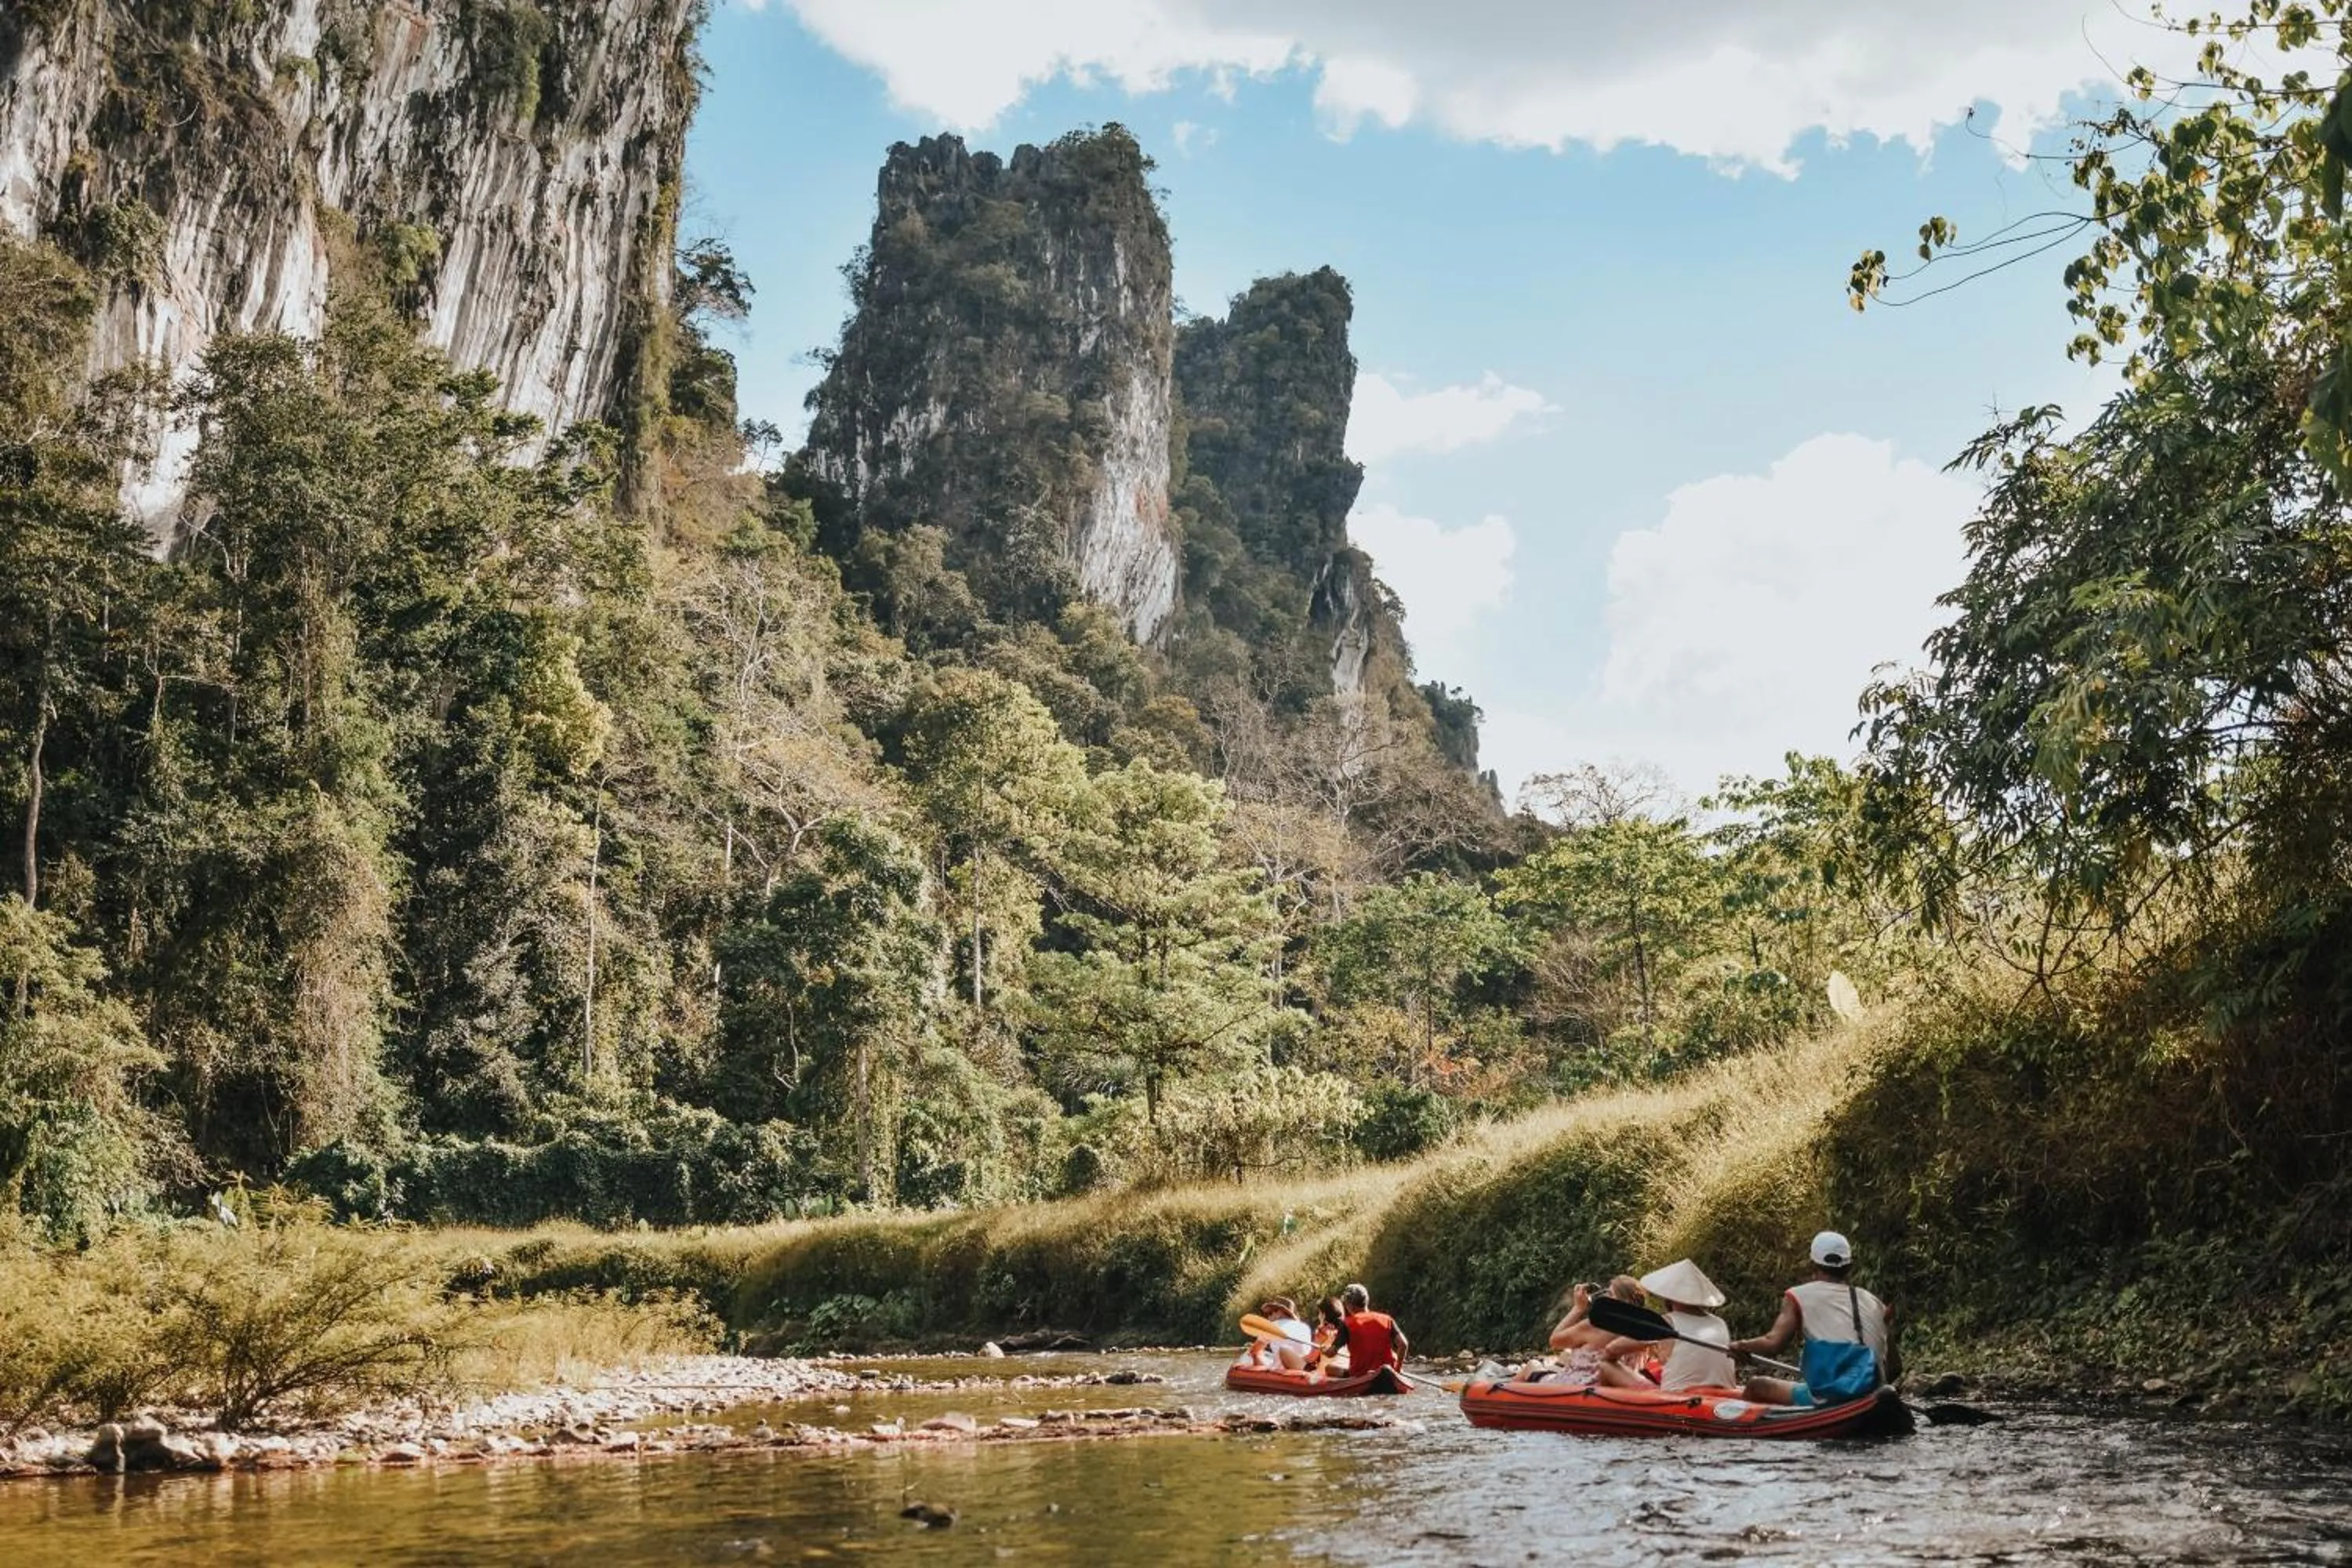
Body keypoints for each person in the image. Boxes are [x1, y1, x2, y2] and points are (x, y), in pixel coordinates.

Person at [1730, 1229, 1900, 1406]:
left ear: (1813, 1264)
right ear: (1849, 1267)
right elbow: (1895, 1369)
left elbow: (1773, 1344)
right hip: (1873, 1393)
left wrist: (1741, 1346)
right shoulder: (1875, 1302)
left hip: (1830, 1396)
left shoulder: (1797, 1296)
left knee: (1756, 1385)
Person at [1595, 1259, 1736, 1392]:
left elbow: (1611, 1349)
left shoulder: (1666, 1322)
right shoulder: (1720, 1323)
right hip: (1718, 1397)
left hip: (1678, 1398)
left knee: (1605, 1365)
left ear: (1669, 1296)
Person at [1523, 1276, 1645, 1384]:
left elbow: (1554, 1341)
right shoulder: (1643, 1332)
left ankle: (1505, 1404)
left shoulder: (1594, 1326)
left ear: (1624, 1302)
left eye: (1610, 1294)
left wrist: (1578, 1308)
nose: (1605, 1297)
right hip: (1612, 1391)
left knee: (1532, 1365)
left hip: (1576, 1389)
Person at [1335, 1283, 1408, 1377]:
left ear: (1351, 1305)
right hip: (1388, 1372)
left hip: (1360, 1375)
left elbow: (1331, 1352)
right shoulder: (1387, 1319)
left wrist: (1324, 1349)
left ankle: (1347, 1376)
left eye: (1346, 1304)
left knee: (1329, 1368)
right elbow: (1403, 1344)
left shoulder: (1347, 1323)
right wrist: (1397, 1369)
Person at [1240, 1296, 1315, 1370]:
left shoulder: (1271, 1327)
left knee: (1255, 1354)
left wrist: (1253, 1350)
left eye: (1270, 1313)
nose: (1268, 1318)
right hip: (1303, 1365)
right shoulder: (1304, 1327)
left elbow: (1255, 1350)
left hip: (1284, 1368)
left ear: (1279, 1313)